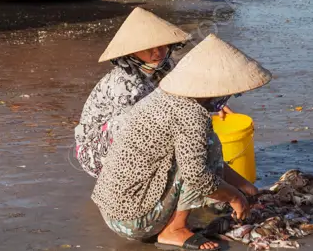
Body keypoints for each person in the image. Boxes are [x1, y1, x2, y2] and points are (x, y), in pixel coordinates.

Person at [92, 34, 270, 250]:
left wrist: (246, 189)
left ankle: (181, 218)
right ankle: (174, 229)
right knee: (206, 148)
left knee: (201, 149)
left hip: (114, 208)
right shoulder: (190, 114)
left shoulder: (168, 95)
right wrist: (236, 198)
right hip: (130, 220)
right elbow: (197, 175)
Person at [74, 8, 191, 178]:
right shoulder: (125, 83)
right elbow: (138, 129)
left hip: (139, 131)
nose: (157, 53)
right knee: (144, 121)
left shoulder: (164, 65)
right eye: (148, 48)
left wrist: (209, 103)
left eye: (161, 46)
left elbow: (184, 90)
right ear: (132, 53)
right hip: (95, 150)